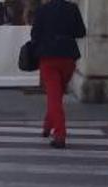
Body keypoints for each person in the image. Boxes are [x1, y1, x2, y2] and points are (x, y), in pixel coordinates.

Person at [29, 0, 86, 149]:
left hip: (48, 58)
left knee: (54, 97)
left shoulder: (42, 10)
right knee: (57, 95)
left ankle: (60, 135)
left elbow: (34, 34)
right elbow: (81, 32)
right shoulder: (72, 8)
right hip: (68, 58)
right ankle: (47, 127)